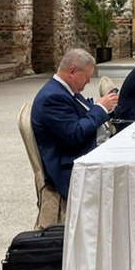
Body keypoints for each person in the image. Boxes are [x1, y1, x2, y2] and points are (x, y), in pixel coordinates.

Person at [31, 49, 118, 200]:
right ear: (72, 71)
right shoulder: (52, 97)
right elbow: (75, 134)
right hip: (71, 167)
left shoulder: (65, 90)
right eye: (87, 76)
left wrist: (105, 108)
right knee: (129, 172)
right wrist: (100, 108)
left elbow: (84, 113)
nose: (89, 81)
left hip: (83, 150)